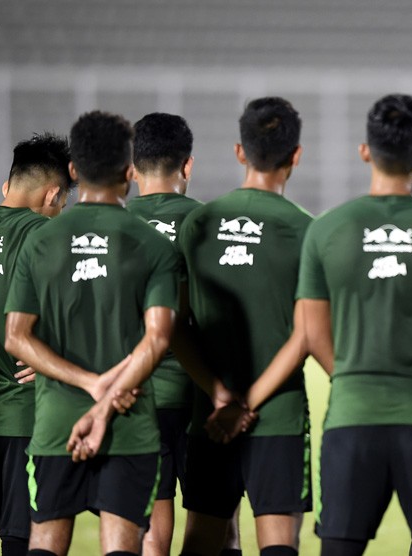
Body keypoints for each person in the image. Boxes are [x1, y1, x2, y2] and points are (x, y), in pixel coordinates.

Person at [292, 93, 412, 556]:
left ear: (364, 151)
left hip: (353, 415)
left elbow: (312, 334)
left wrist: (356, 378)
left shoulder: (327, 229)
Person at [4, 110, 181, 556]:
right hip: (130, 423)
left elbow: (17, 337)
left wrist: (87, 383)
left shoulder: (40, 241)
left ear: (74, 171)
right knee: (123, 548)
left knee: (44, 544)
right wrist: (107, 392)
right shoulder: (154, 245)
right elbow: (159, 338)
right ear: (128, 171)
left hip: (56, 425)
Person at [176, 97, 312, 556]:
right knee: (279, 547)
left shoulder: (197, 224)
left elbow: (175, 327)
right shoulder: (305, 230)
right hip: (279, 416)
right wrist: (249, 403)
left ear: (240, 151)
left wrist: (220, 396)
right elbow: (305, 334)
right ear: (295, 155)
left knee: (201, 542)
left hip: (210, 418)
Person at [124, 113, 220, 556]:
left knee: (151, 534)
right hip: (201, 398)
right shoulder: (208, 223)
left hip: (136, 398)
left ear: (132, 168)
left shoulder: (110, 226)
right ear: (188, 165)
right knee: (217, 524)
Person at [0, 133, 73, 556]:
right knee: (26, 542)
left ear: (7, 186)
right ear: (53, 194)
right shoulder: (51, 238)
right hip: (30, 418)